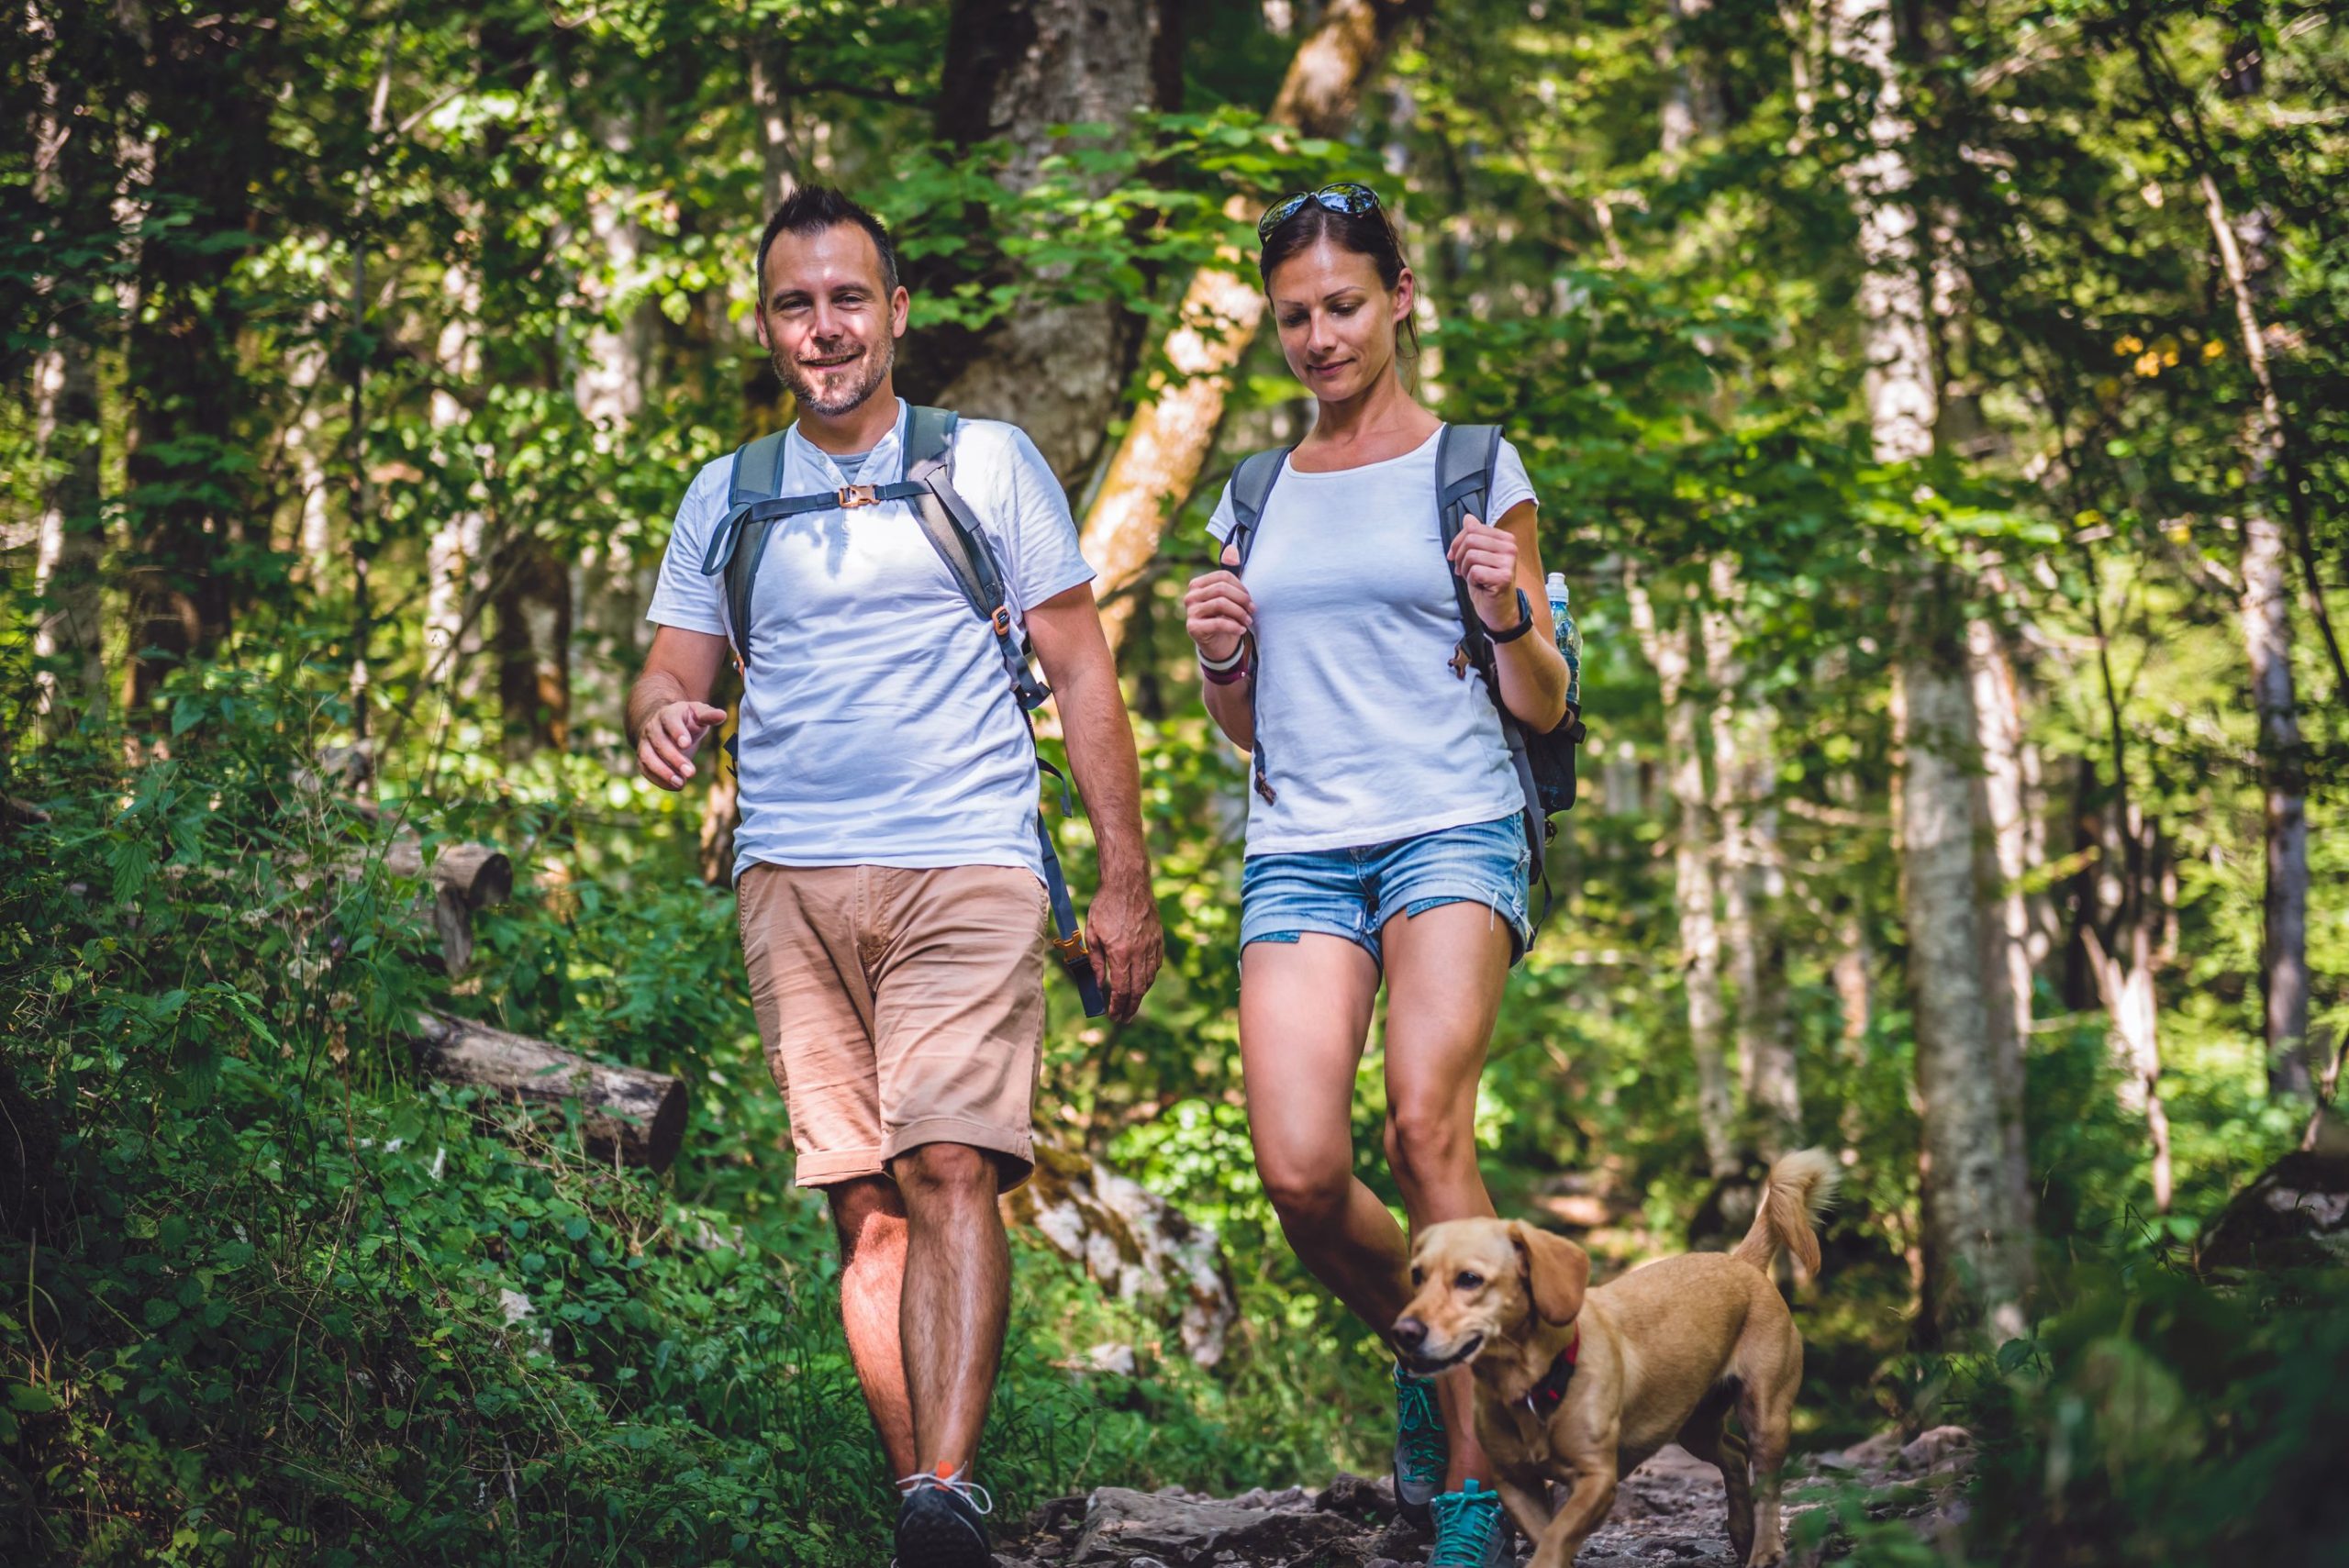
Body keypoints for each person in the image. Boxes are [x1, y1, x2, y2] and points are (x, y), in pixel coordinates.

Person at [629, 184, 1163, 1568]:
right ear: (767, 325)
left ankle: (947, 1480)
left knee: (945, 1163)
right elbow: (671, 672)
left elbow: (1080, 665)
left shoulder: (985, 464)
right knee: (865, 1212)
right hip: (791, 879)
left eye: (848, 298)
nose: (826, 327)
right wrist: (663, 720)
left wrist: (1124, 880)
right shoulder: (727, 493)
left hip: (966, 857)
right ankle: (930, 1505)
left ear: (897, 312)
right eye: (797, 304)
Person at [1182, 183, 1569, 1568]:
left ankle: (1480, 1485)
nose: (1319, 337)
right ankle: (1431, 1358)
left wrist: (1509, 610)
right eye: (1293, 316)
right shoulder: (1256, 490)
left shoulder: (1475, 465)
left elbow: (1541, 697)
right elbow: (1246, 718)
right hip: (1299, 841)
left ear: (1401, 295)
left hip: (1450, 826)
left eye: (1343, 305)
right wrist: (1224, 649)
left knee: (1423, 1129)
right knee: (1298, 1169)